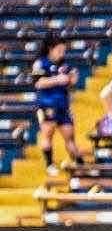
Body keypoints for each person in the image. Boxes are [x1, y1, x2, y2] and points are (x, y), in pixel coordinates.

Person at [32, 35, 83, 176]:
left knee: (70, 137)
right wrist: (57, 80)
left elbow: (70, 81)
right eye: (59, 50)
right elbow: (38, 83)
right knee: (47, 135)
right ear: (51, 49)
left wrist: (72, 79)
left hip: (63, 106)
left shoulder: (64, 65)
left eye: (63, 51)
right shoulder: (40, 63)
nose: (62, 53)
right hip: (47, 105)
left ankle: (80, 164)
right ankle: (49, 164)